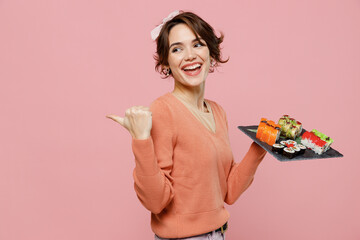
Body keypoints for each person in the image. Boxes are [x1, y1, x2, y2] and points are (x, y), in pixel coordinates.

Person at [106, 10, 267, 240]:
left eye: (198, 44)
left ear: (211, 53)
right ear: (166, 62)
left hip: (218, 235)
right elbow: (155, 201)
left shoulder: (218, 112)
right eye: (177, 49)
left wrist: (261, 145)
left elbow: (228, 192)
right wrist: (141, 140)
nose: (190, 55)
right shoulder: (163, 111)